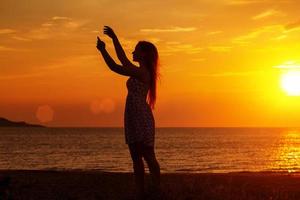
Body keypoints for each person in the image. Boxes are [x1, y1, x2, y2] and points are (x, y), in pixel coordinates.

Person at [96, 26, 161, 199]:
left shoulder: (142, 73)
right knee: (140, 155)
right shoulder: (140, 71)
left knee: (144, 155)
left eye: (136, 50)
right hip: (136, 115)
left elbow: (117, 65)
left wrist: (107, 46)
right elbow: (122, 62)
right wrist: (109, 44)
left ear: (144, 55)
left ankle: (152, 189)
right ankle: (146, 190)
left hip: (139, 116)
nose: (133, 51)